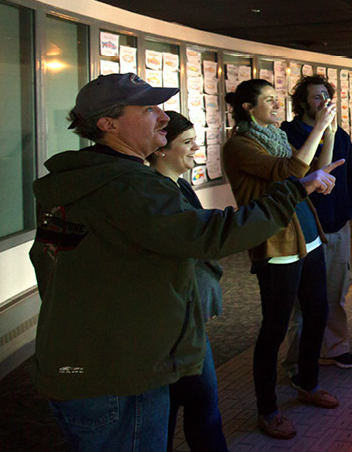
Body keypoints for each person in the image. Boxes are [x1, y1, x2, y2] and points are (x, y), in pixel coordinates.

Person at [31, 73, 340, 452]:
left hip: (81, 360)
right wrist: (293, 190)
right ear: (108, 124)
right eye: (149, 109)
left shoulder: (75, 182)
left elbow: (48, 268)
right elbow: (214, 235)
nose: (164, 117)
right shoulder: (131, 187)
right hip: (117, 372)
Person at [222, 79, 339, 440]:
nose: (276, 105)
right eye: (269, 100)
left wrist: (329, 132)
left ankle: (308, 383)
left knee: (318, 312)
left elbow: (314, 169)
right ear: (247, 107)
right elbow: (291, 172)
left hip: (308, 235)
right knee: (273, 328)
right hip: (276, 244)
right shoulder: (239, 146)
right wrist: (318, 127)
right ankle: (267, 408)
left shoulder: (276, 137)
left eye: (277, 99)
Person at [147, 112, 227, 452]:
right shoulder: (157, 195)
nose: (196, 148)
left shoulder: (178, 185)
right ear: (160, 147)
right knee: (195, 405)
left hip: (186, 320)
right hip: (174, 325)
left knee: (191, 405)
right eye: (187, 142)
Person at [280, 75, 352, 371]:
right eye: (316, 97)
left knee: (336, 291)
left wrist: (348, 206)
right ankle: (299, 359)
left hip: (337, 224)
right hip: (304, 229)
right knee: (304, 298)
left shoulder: (339, 135)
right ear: (301, 103)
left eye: (327, 97)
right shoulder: (288, 136)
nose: (323, 103)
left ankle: (337, 347)